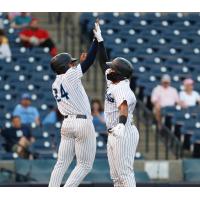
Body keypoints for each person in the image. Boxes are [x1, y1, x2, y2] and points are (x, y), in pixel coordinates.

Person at [48, 22, 99, 187]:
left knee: (61, 163)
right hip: (82, 122)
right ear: (65, 66)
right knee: (84, 165)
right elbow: (90, 61)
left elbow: (73, 73)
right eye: (71, 63)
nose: (73, 64)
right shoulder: (69, 75)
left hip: (67, 123)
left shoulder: (55, 83)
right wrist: (96, 41)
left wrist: (76, 66)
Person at [96, 22, 139, 187]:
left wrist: (121, 124)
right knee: (115, 177)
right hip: (114, 132)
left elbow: (123, 108)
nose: (109, 69)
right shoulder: (114, 81)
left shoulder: (122, 87)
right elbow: (102, 63)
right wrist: (100, 41)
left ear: (118, 74)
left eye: (112, 68)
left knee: (124, 174)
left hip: (124, 131)